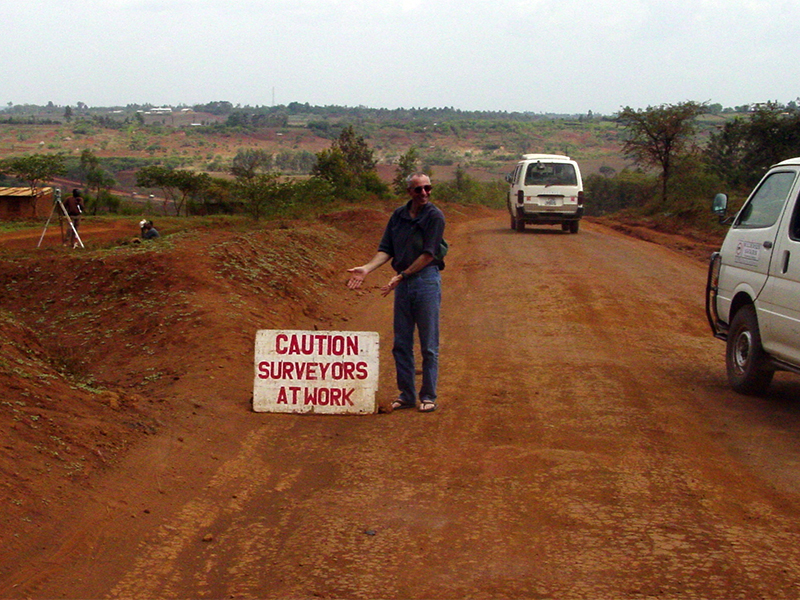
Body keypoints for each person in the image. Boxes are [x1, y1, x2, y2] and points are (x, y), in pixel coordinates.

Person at [347, 173, 446, 413]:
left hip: (425, 280)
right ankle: (407, 395)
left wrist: (402, 276)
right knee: (401, 342)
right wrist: (367, 269)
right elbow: (386, 249)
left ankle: (428, 395)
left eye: (427, 188)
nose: (424, 193)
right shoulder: (398, 216)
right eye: (418, 189)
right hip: (403, 282)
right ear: (409, 192)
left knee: (428, 343)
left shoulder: (434, 216)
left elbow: (429, 254)